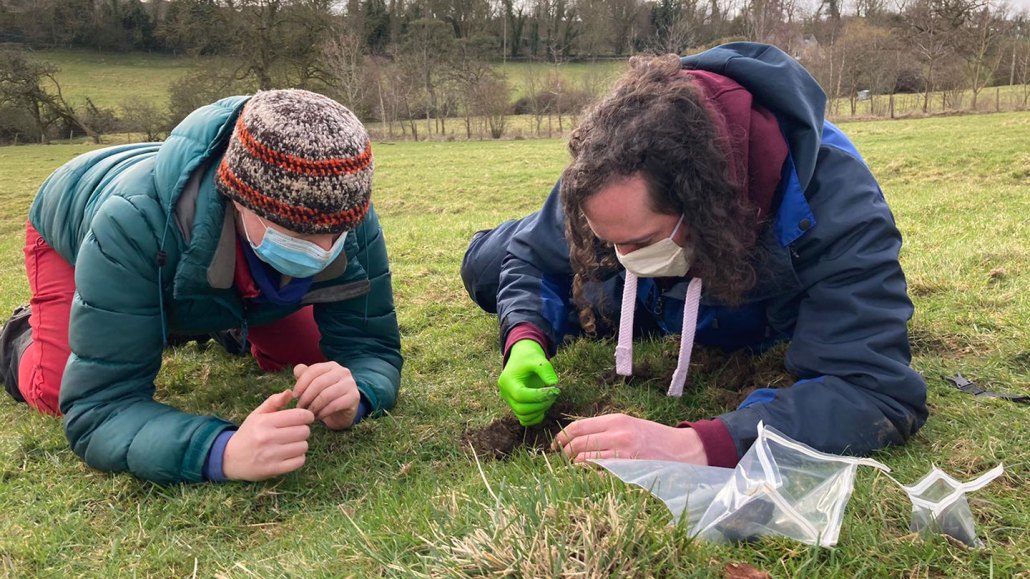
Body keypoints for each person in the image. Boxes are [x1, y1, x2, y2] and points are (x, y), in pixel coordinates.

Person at [460, 43, 927, 468]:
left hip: (739, 301)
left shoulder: (836, 199)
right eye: (609, 240)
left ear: (703, 205)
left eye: (638, 243)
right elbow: (529, 259)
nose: (622, 256)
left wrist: (698, 445)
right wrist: (524, 338)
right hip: (645, 291)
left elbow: (874, 391)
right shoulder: (613, 161)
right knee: (486, 268)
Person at [0, 89, 402, 484]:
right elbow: (99, 408)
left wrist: (358, 394)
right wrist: (220, 452)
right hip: (78, 212)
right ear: (239, 199)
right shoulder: (130, 222)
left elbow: (370, 349)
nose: (322, 250)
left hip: (201, 250)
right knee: (55, 390)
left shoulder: (342, 206)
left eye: (336, 233)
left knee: (310, 361)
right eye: (297, 234)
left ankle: (214, 317)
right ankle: (18, 335)